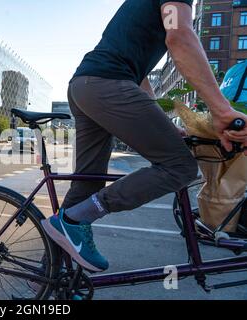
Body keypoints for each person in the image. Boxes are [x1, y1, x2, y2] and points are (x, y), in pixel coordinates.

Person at [41, 0, 247, 273]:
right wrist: (221, 109)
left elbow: (140, 76)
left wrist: (162, 122)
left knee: (85, 184)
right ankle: (76, 221)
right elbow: (179, 36)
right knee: (181, 167)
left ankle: (48, 274)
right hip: (108, 84)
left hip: (86, 85)